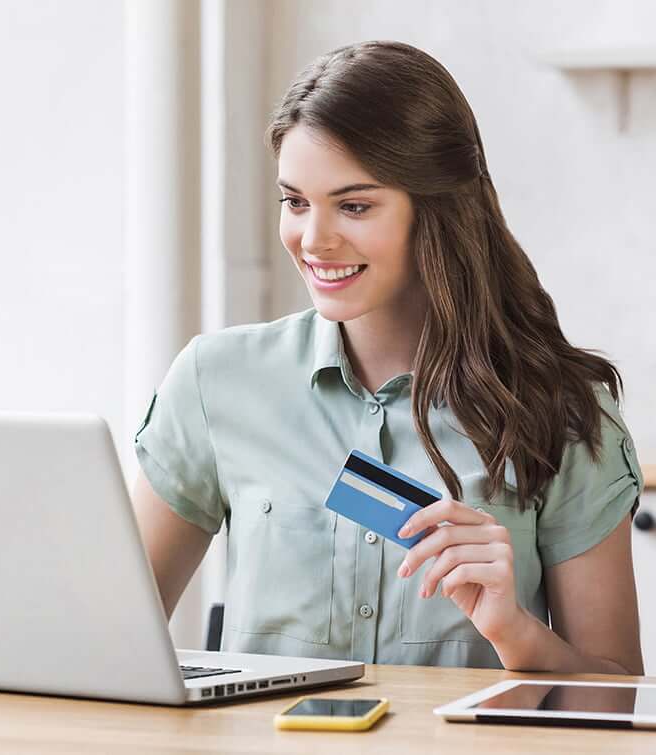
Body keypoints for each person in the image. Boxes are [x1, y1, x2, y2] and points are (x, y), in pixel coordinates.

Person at [132, 40, 645, 673]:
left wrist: (511, 630)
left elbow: (619, 700)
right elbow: (110, 639)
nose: (313, 240)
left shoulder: (562, 409)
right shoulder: (216, 382)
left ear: (437, 209)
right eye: (295, 202)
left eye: (354, 205)